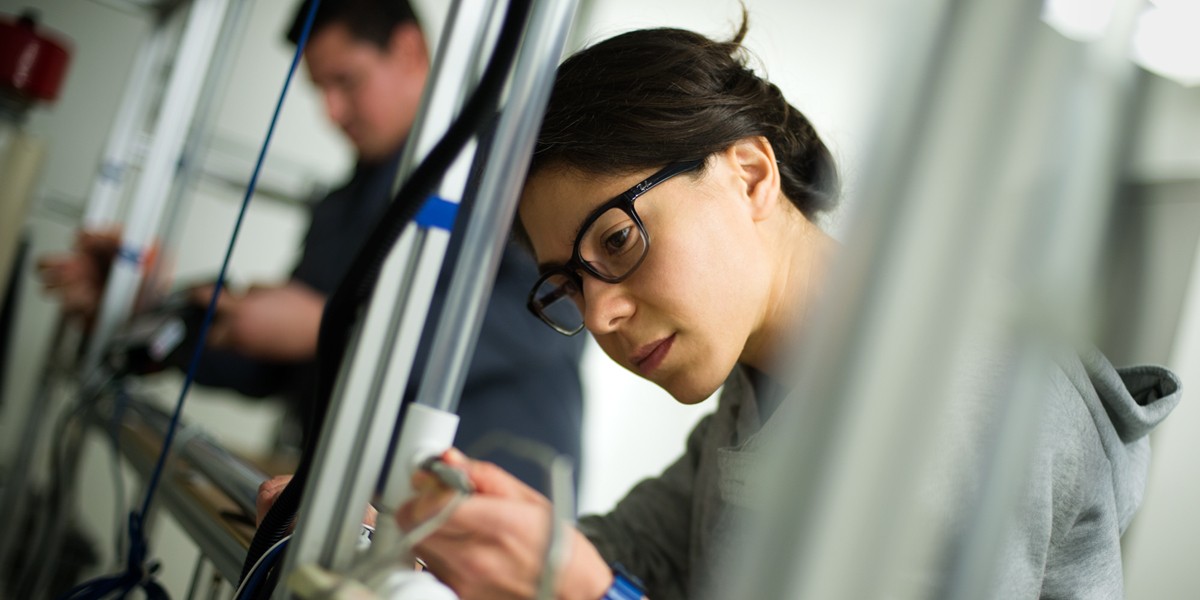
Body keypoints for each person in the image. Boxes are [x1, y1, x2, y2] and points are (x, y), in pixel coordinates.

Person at [358, 21, 1178, 600]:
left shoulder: (963, 397)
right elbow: (654, 551)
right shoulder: (767, 386)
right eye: (569, 284)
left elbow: (605, 580)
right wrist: (429, 537)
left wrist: (591, 594)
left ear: (750, 175)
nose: (602, 315)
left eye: (616, 240)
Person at [37, 0, 586, 494]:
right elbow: (277, 362)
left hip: (491, 505)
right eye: (319, 90)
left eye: (346, 82)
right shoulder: (341, 207)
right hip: (355, 516)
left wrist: (328, 323)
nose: (331, 111)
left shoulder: (514, 163)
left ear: (409, 51)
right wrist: (144, 309)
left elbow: (549, 316)